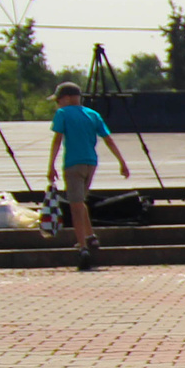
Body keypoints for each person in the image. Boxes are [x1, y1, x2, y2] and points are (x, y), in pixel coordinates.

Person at [45, 82, 134, 272]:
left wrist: (51, 165)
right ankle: (91, 236)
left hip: (73, 163)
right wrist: (122, 162)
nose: (57, 105)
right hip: (90, 163)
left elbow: (57, 139)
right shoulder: (93, 114)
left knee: (75, 206)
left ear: (67, 98)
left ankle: (83, 247)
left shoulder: (63, 114)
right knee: (80, 201)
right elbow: (108, 139)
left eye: (58, 100)